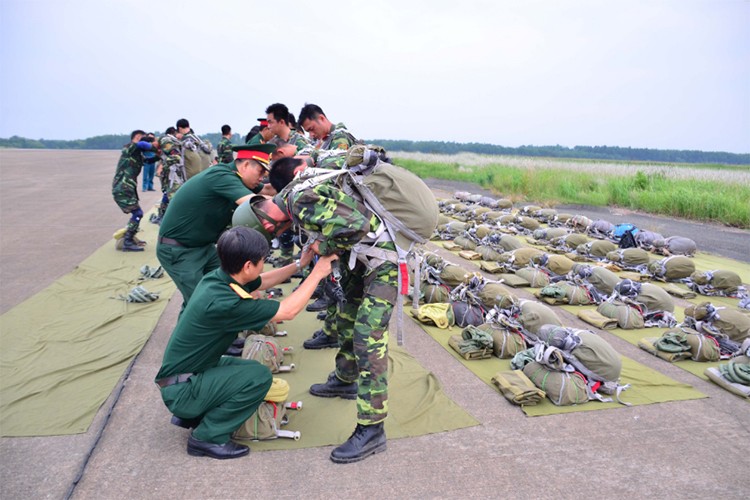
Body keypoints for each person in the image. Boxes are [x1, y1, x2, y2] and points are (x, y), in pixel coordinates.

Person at [233, 176, 395, 464]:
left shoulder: (300, 201)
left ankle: (372, 429)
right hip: (364, 256)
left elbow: (357, 226)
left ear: (267, 223)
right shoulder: (291, 198)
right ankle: (346, 379)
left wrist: (323, 246)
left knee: (368, 340)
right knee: (346, 317)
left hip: (386, 263)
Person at [155, 225, 338, 460]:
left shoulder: (218, 279)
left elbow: (261, 281)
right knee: (257, 379)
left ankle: (193, 413)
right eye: (262, 260)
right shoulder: (225, 303)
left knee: (252, 370)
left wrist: (300, 265)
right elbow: (288, 311)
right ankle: (207, 437)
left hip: (185, 376)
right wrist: (317, 273)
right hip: (183, 389)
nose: (264, 264)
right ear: (247, 266)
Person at [156, 143, 277, 312]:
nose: (263, 177)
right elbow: (257, 205)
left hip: (203, 247)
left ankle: (223, 333)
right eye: (261, 171)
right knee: (200, 303)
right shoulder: (221, 175)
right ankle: (189, 338)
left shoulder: (238, 179)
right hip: (179, 250)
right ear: (246, 165)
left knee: (230, 287)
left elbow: (268, 190)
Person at [112, 130, 159, 251]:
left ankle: (129, 237)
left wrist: (160, 155)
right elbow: (142, 145)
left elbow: (148, 161)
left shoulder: (136, 154)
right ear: (137, 137)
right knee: (137, 214)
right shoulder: (130, 148)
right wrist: (154, 146)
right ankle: (127, 242)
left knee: (136, 214)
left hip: (127, 188)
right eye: (143, 138)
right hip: (122, 188)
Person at [298, 103, 357, 170]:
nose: (311, 135)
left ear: (321, 118)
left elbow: (337, 163)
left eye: (312, 129)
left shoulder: (340, 137)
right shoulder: (324, 140)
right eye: (308, 132)